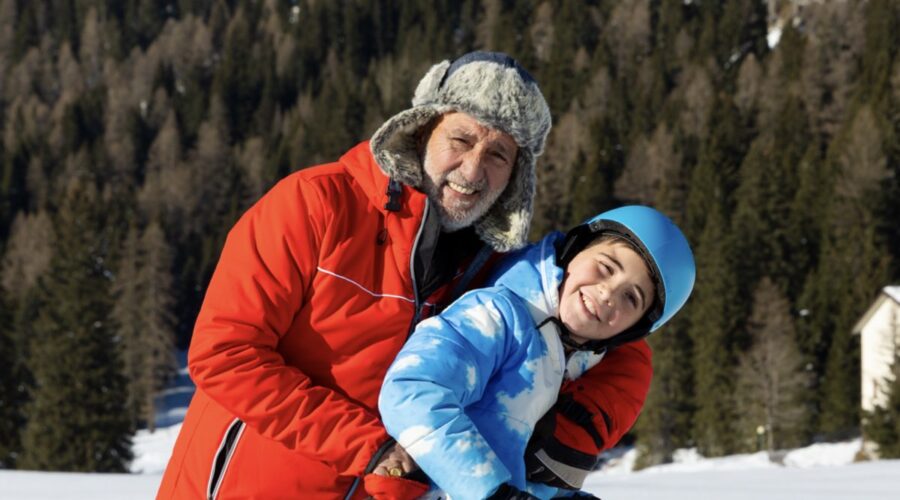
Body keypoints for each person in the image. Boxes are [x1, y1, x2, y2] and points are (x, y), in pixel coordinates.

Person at [156, 51, 653, 500]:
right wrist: (369, 446)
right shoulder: (315, 204)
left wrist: (570, 436)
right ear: (420, 131)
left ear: (515, 176)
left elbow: (620, 338)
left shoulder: (497, 271)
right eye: (461, 139)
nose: (473, 170)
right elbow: (224, 354)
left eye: (498, 154)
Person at [377, 206, 696, 499]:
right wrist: (491, 491)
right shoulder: (497, 316)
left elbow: (523, 473)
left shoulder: (573, 362)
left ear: (633, 329)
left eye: (631, 298)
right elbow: (411, 392)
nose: (608, 293)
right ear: (574, 250)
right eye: (605, 267)